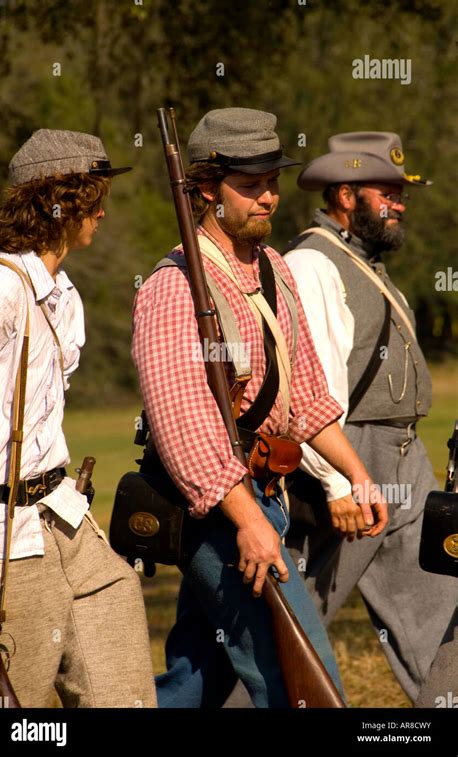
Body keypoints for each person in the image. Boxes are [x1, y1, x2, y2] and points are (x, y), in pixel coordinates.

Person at [132, 108, 388, 708]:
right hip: (220, 513)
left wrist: (358, 473)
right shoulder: (174, 287)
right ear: (203, 191)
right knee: (304, 682)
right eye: (249, 186)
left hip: (262, 497)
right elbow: (185, 428)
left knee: (195, 681)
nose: (269, 197)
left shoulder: (272, 268)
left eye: (272, 181)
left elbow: (306, 400)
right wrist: (248, 521)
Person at [0, 129, 157, 708]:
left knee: (119, 616)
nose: (103, 211)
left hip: (64, 515)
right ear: (57, 201)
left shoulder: (65, 296)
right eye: (93, 197)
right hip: (4, 532)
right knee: (19, 698)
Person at [283, 131, 457, 704]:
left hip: (404, 455)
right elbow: (309, 395)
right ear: (346, 192)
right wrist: (338, 480)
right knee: (292, 623)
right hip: (349, 456)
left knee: (440, 607)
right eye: (388, 192)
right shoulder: (311, 263)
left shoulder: (365, 263)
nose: (400, 203)